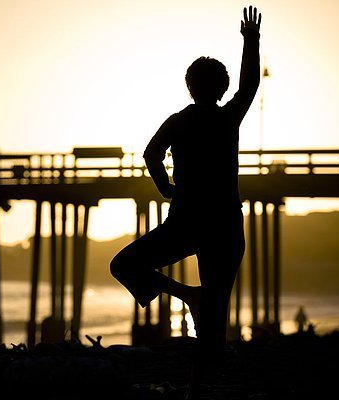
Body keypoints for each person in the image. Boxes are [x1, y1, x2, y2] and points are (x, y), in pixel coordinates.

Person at [110, 6, 262, 399]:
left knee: (124, 264)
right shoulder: (228, 118)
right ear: (221, 88)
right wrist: (251, 41)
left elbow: (150, 153)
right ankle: (196, 376)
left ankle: (187, 304)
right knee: (215, 309)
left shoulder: (179, 119)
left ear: (189, 86)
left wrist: (165, 188)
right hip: (226, 224)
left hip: (187, 220)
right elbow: (249, 88)